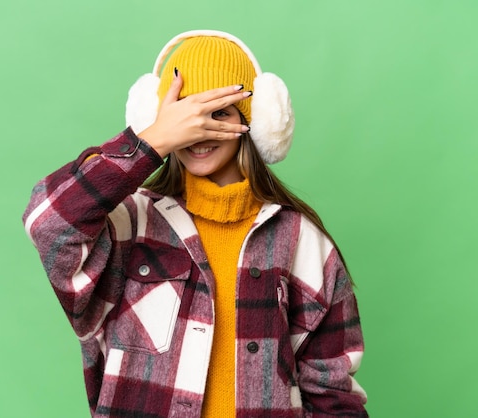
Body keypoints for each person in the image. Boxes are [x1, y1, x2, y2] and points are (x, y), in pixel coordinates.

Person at [23, 29, 368, 418]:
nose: (197, 132)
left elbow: (333, 397)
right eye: (183, 114)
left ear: (256, 123)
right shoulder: (129, 225)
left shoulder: (303, 241)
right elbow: (48, 224)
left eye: (217, 113)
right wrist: (150, 142)